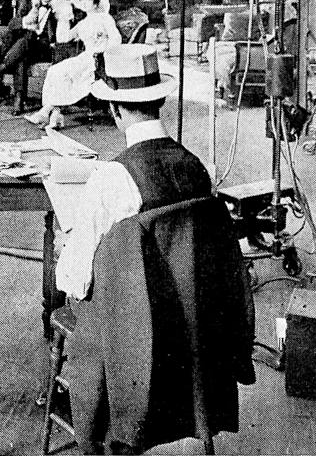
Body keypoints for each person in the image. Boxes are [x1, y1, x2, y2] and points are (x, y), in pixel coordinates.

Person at [55, 44, 255, 452]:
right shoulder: (199, 169)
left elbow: (73, 281)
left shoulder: (111, 178)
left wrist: (67, 246)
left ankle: (97, 420)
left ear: (114, 110)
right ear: (159, 101)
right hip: (194, 326)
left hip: (132, 332)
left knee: (69, 287)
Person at [25, 0, 121, 130]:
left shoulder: (105, 18)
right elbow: (64, 38)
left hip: (100, 60)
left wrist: (102, 51)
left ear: (96, 2)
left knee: (64, 72)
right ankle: (54, 114)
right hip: (86, 57)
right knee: (55, 71)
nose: (84, 2)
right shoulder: (84, 22)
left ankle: (47, 112)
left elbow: (116, 39)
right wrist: (63, 17)